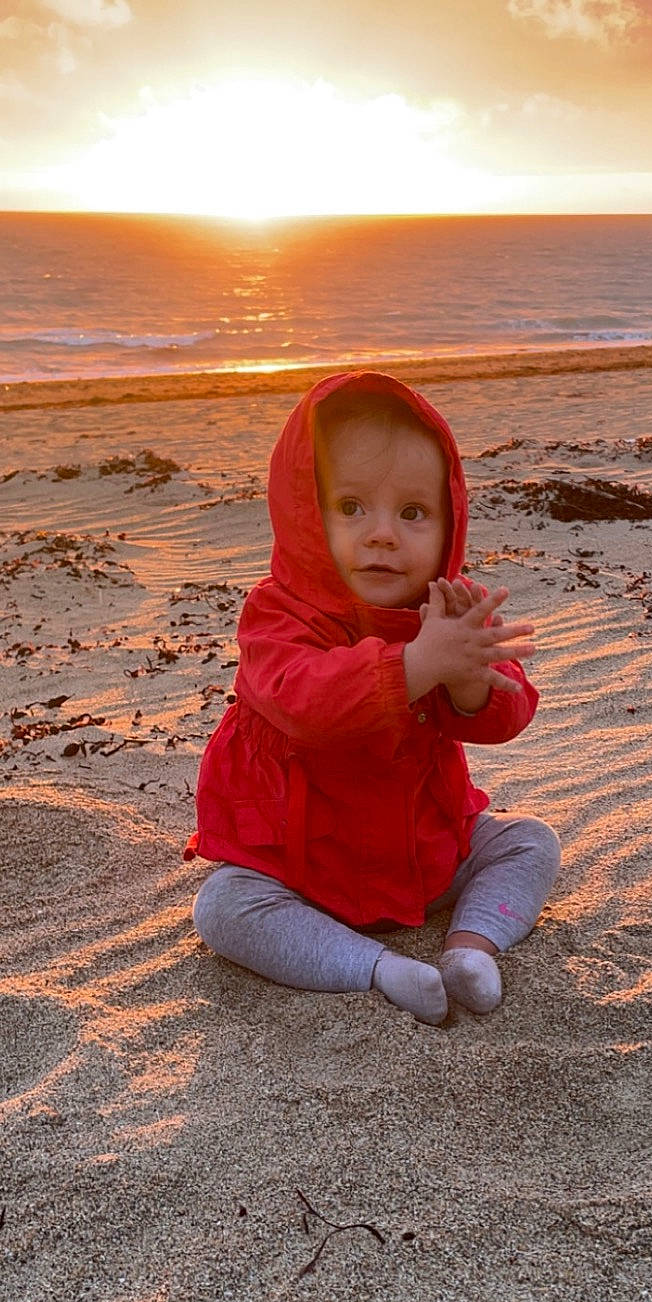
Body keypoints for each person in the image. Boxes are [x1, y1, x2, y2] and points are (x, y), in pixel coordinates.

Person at [185, 369, 561, 1025]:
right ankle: (376, 967)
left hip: (425, 854)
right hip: (300, 869)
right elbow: (305, 702)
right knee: (222, 907)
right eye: (352, 507)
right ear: (305, 512)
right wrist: (415, 663)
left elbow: (507, 712)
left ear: (449, 524)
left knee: (530, 842)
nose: (384, 533)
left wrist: (470, 678)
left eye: (413, 513)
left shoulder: (446, 608)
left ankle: (471, 950)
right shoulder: (275, 616)